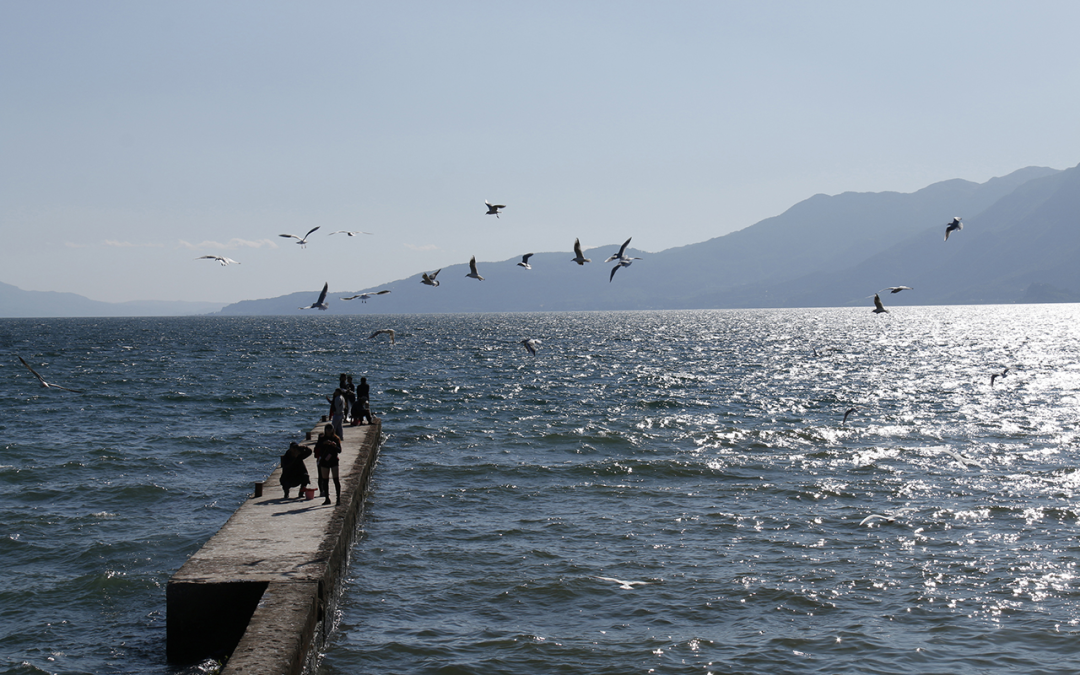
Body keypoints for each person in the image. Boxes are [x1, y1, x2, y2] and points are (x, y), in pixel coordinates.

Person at [315, 424, 342, 505]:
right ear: (325, 430)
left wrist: (334, 445)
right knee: (325, 480)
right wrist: (324, 443)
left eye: (330, 429)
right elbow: (317, 447)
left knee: (336, 480)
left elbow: (339, 450)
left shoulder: (336, 438)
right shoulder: (322, 438)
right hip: (324, 461)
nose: (329, 430)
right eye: (327, 429)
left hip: (333, 460)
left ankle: (338, 499)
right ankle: (327, 498)